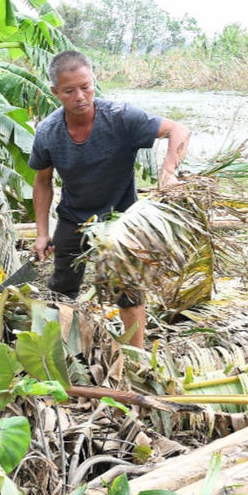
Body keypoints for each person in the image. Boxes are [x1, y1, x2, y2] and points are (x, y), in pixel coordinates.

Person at [29, 50, 190, 347]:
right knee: (61, 290)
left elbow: (177, 129)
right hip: (73, 217)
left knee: (126, 290)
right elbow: (42, 181)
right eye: (70, 90)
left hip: (122, 220)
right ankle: (58, 350)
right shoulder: (48, 132)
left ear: (93, 82)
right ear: (55, 92)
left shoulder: (120, 117)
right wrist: (41, 233)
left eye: (86, 86)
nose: (80, 96)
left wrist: (168, 172)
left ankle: (135, 355)